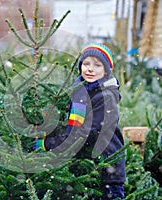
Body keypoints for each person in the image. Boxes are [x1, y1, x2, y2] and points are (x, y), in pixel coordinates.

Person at [34, 43, 125, 199]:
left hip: (107, 168)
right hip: (87, 168)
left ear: (106, 71)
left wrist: (48, 144)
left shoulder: (105, 97)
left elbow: (86, 134)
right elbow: (71, 126)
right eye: (86, 63)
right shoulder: (80, 92)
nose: (90, 69)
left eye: (97, 65)